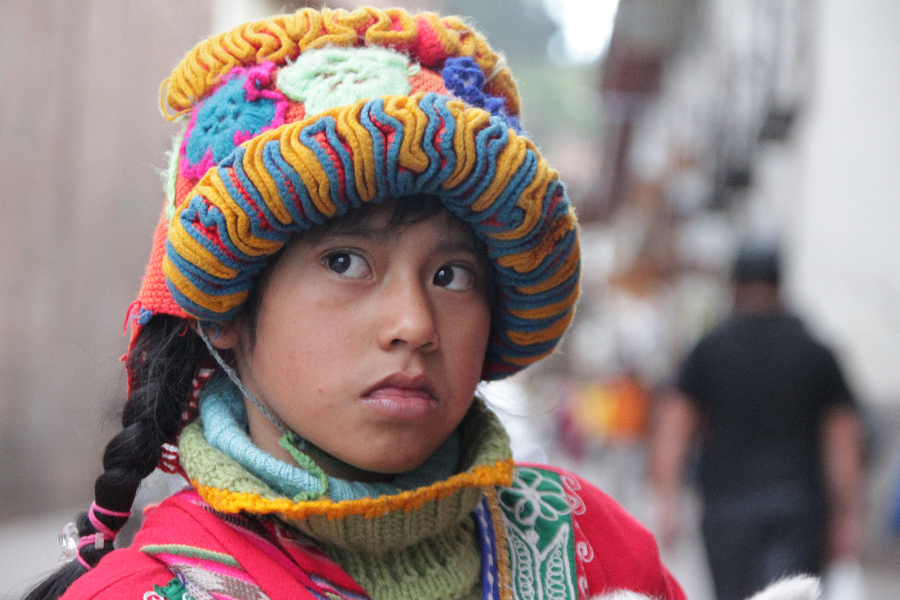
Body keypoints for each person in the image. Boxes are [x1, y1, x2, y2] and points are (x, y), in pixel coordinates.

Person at [23, 7, 688, 600]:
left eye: (453, 275)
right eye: (345, 262)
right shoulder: (147, 593)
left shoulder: (592, 545)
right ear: (227, 312)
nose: (414, 326)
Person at [651, 242, 864, 600]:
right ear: (781, 285)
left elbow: (673, 429)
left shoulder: (707, 351)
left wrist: (668, 503)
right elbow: (842, 440)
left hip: (727, 511)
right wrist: (846, 517)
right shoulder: (816, 352)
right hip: (799, 508)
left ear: (734, 285)